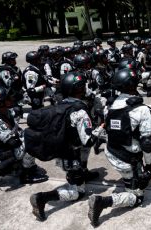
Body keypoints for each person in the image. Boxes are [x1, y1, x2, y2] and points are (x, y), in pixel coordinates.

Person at [87, 68, 151, 227]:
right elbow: (147, 143)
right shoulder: (141, 109)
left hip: (111, 152)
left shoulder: (109, 106)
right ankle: (102, 202)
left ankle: (129, 179)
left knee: (131, 178)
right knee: (138, 197)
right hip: (127, 159)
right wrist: (149, 165)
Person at [30, 72, 97, 221]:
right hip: (72, 156)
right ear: (79, 89)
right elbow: (88, 140)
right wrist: (100, 131)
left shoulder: (60, 104)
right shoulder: (80, 109)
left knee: (78, 173)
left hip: (61, 151)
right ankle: (42, 198)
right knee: (78, 192)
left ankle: (82, 173)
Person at [0, 86, 48, 189]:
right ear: (0, 103)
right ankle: (27, 174)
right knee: (33, 139)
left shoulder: (5, 112)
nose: (11, 98)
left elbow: (17, 129)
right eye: (7, 98)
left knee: (29, 135)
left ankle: (18, 167)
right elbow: (14, 142)